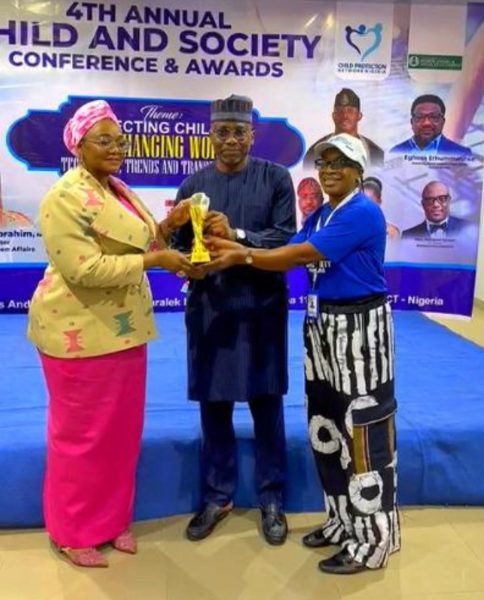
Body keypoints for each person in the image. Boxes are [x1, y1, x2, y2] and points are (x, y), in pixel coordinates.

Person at [204, 133, 400, 575]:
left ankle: (372, 541)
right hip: (323, 325)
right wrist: (237, 239)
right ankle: (342, 521)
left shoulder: (363, 212)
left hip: (359, 327)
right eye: (323, 163)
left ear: (358, 172)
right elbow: (288, 245)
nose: (328, 170)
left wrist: (241, 256)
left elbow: (299, 254)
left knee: (363, 432)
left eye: (339, 163)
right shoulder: (323, 213)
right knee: (326, 427)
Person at [27, 100, 197, 568]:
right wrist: (155, 261)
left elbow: (139, 240)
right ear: (78, 146)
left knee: (120, 434)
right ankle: (72, 531)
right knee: (80, 437)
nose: (116, 148)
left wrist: (169, 226)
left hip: (124, 330)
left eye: (121, 140)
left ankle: (111, 521)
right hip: (76, 331)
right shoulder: (63, 197)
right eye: (104, 140)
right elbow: (84, 269)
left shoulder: (118, 189)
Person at [172, 94, 296, 546]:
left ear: (252, 135)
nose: (230, 140)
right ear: (210, 135)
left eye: (238, 132)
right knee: (214, 407)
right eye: (222, 131)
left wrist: (237, 236)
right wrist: (187, 264)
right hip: (212, 308)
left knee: (267, 406)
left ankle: (271, 498)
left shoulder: (276, 178)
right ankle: (217, 496)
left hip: (261, 308)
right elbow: (181, 245)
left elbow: (284, 239)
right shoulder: (193, 186)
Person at [304, 88, 384, 168]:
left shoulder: (375, 153)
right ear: (334, 116)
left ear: (359, 116)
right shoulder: (314, 152)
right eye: (340, 111)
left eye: (350, 111)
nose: (345, 116)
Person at [390, 94, 472, 156]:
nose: (427, 123)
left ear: (443, 122)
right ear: (412, 122)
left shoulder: (462, 154)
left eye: (434, 117)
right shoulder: (396, 152)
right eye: (419, 117)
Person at [402, 181, 467, 239]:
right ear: (423, 204)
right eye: (430, 200)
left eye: (442, 199)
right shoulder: (408, 236)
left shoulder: (468, 229)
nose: (436, 204)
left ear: (449, 201)